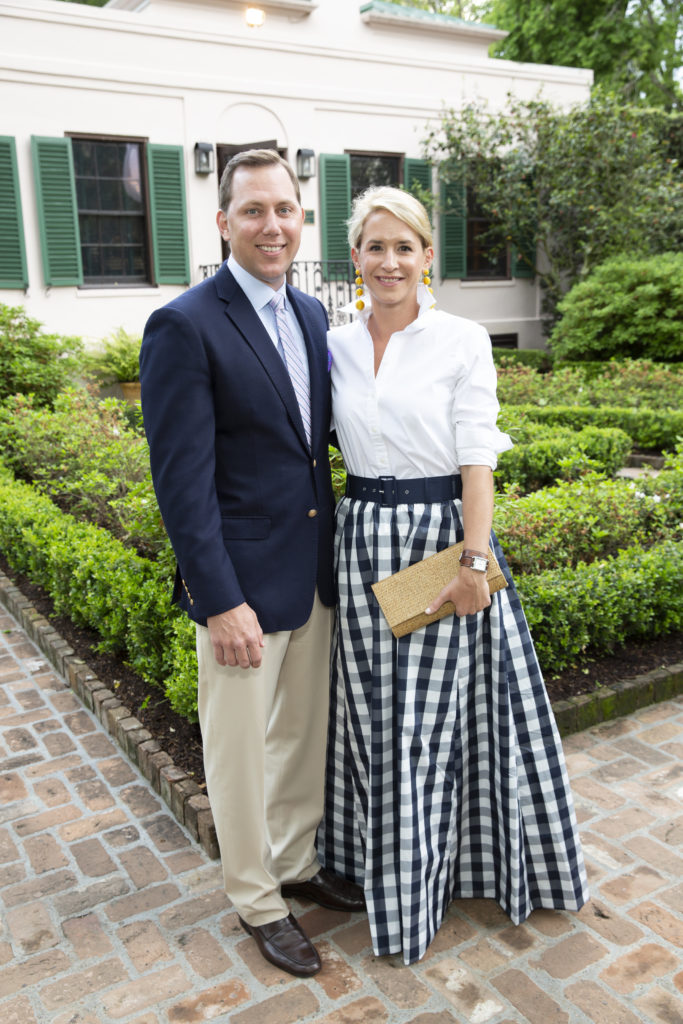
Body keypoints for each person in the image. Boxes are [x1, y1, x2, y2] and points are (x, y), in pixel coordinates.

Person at [317, 186, 589, 965]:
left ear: (427, 256)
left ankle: (430, 885)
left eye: (405, 246)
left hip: (441, 542)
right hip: (362, 537)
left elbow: (478, 456)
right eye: (375, 246)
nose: (390, 260)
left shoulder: (462, 340)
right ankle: (386, 870)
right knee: (375, 719)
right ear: (356, 258)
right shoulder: (329, 344)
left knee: (434, 725)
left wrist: (475, 559)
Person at [139, 150, 364, 979]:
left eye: (286, 210)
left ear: (301, 218)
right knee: (237, 751)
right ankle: (256, 899)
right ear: (224, 220)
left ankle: (296, 866)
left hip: (312, 574)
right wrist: (217, 598)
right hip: (239, 588)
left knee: (302, 738)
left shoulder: (311, 315)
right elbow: (182, 484)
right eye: (255, 211)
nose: (273, 225)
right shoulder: (186, 324)